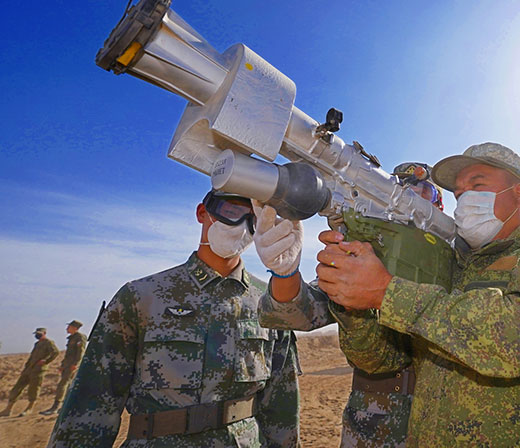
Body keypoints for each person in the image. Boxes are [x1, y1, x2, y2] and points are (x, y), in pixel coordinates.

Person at [314, 143, 520, 446]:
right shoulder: (448, 266)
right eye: (459, 194)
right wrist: (353, 301)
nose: (465, 201)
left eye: (477, 185)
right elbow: (380, 360)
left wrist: (387, 292)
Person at [47, 190, 300, 447]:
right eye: (232, 212)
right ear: (203, 213)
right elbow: (92, 400)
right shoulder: (141, 297)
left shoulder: (269, 303)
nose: (242, 227)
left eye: (253, 220)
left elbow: (282, 404)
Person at [255, 162, 445, 447]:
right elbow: (299, 314)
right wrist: (285, 272)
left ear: (439, 206)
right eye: (404, 192)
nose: (413, 201)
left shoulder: (459, 261)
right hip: (372, 429)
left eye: (424, 193)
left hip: (442, 425)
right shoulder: (365, 258)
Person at [0, 327, 59, 417]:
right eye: (36, 333)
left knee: (33, 389)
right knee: (17, 388)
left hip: (38, 370)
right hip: (29, 369)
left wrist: (46, 361)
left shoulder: (49, 343)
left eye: (40, 333)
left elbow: (56, 352)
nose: (37, 335)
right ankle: (8, 409)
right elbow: (32, 357)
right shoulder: (37, 344)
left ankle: (29, 408)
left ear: (44, 333)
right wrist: (26, 367)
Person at [40, 320, 88, 415]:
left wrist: (75, 364)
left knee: (63, 385)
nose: (67, 329)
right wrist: (63, 365)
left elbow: (80, 352)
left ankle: (56, 406)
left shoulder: (79, 337)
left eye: (69, 327)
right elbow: (68, 354)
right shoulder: (71, 338)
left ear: (75, 328)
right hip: (67, 365)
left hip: (72, 365)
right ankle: (66, 406)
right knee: (67, 385)